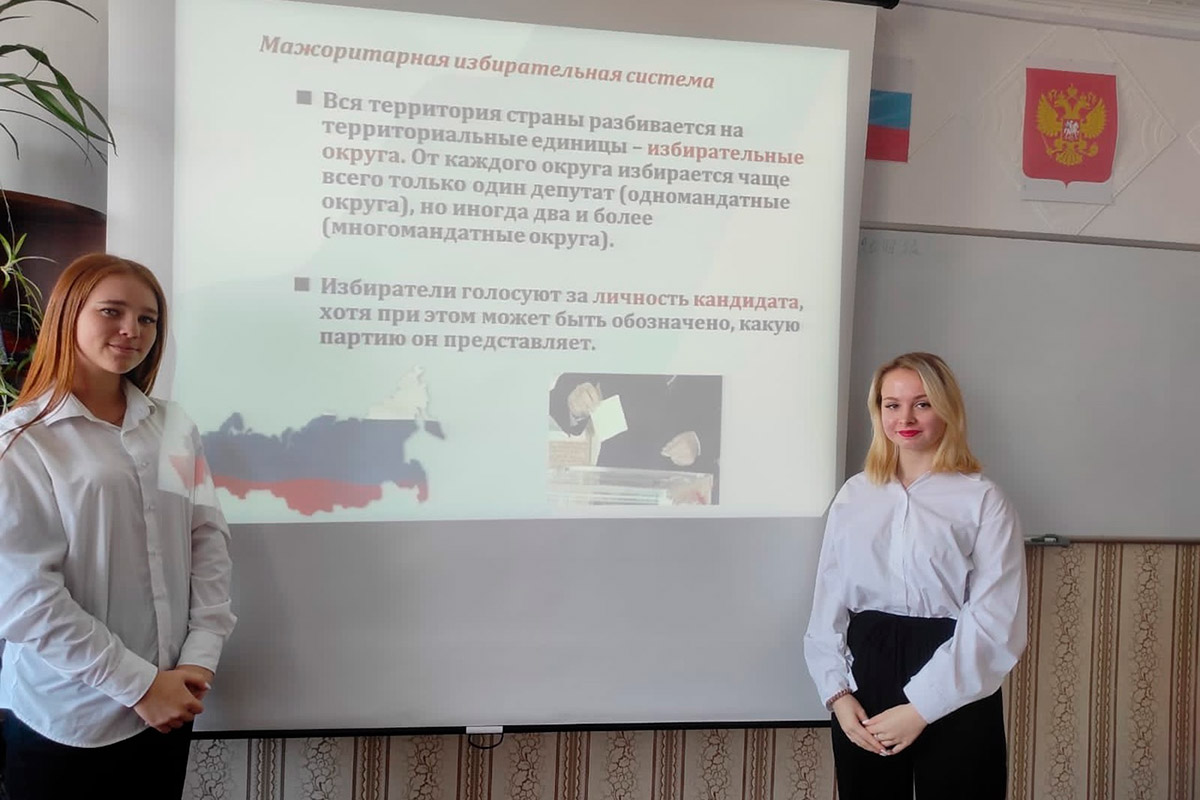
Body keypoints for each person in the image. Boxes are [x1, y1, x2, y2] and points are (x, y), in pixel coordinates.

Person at [0, 254, 235, 800]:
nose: (133, 329)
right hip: (69, 718)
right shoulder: (24, 441)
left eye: (148, 318)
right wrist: (139, 685)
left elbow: (207, 540)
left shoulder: (173, 426)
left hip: (173, 701)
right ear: (69, 315)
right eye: (112, 311)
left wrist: (199, 656)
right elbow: (23, 596)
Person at [803, 352, 1027, 800]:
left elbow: (997, 619)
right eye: (892, 405)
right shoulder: (854, 496)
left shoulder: (982, 500)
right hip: (866, 672)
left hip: (956, 669)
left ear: (946, 409)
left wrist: (922, 707)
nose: (905, 418)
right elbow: (829, 600)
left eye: (922, 404)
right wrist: (837, 694)